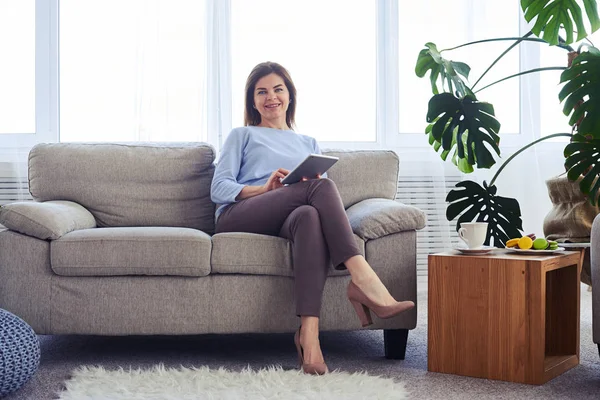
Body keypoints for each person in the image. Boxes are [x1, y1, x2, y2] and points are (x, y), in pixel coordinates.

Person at [210, 61, 414, 375]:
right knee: (320, 188)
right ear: (252, 101)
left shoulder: (308, 143)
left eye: (278, 89)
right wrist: (264, 189)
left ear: (289, 95)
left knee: (309, 214)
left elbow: (322, 199)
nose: (271, 97)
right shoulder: (243, 135)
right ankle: (363, 279)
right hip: (241, 215)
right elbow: (219, 187)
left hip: (290, 214)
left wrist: (297, 189)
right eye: (261, 92)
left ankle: (309, 336)